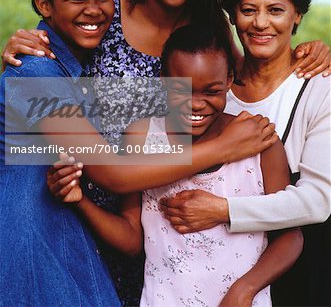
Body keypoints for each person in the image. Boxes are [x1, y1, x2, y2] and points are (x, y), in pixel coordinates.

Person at [1, 0, 329, 305]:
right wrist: (28, 41)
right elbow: (53, 76)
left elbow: (241, 79)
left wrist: (309, 53)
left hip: (161, 236)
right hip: (77, 211)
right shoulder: (104, 9)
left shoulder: (207, 24)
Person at [48, 25, 304, 307]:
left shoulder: (259, 141)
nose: (196, 104)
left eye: (211, 91)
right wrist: (79, 200)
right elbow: (132, 240)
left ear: (229, 79)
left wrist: (245, 289)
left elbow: (289, 235)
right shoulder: (143, 137)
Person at [160, 0, 331, 307]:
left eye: (276, 10)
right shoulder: (211, 91)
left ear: (297, 15)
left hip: (300, 279)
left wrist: (223, 210)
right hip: (191, 282)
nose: (261, 23)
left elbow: (318, 201)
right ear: (233, 14)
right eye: (248, 10)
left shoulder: (320, 89)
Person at [0, 0, 122, 306]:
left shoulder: (71, 69)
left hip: (57, 230)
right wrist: (226, 146)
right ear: (44, 6)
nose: (93, 10)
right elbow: (110, 170)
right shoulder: (34, 69)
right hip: (27, 242)